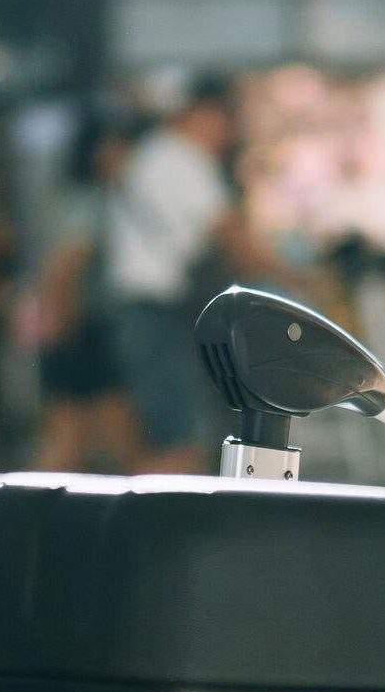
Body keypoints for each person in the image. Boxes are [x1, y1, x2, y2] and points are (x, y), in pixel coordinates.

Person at [102, 73, 292, 474]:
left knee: (165, 436)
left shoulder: (157, 155)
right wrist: (298, 279)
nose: (228, 137)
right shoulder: (181, 159)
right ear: (207, 114)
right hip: (156, 314)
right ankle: (147, 531)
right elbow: (231, 239)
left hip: (145, 312)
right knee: (180, 443)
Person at [24, 111, 144, 473]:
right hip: (83, 331)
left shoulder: (69, 199)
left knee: (69, 437)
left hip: (72, 330)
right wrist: (63, 323)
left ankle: (23, 516)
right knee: (105, 435)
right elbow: (64, 265)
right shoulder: (89, 203)